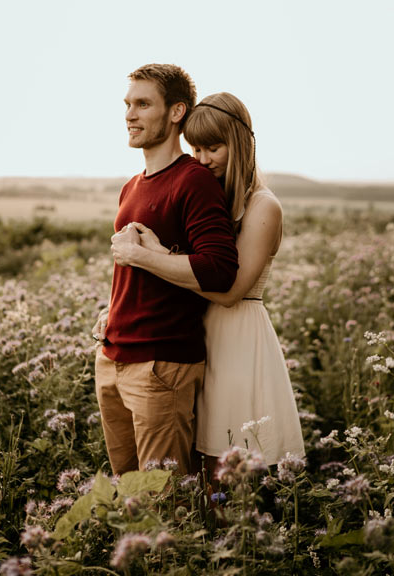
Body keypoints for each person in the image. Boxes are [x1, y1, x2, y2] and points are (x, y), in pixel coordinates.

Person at [109, 92, 305, 476]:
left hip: (238, 337)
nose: (202, 159)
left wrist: (158, 256)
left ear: (242, 144)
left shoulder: (263, 206)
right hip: (197, 334)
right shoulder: (215, 198)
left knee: (232, 461)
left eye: (213, 148)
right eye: (196, 148)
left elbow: (231, 291)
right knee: (193, 462)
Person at [92, 64, 239, 476]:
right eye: (127, 104)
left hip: (161, 366)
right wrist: (112, 312)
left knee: (163, 506)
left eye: (142, 104)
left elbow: (219, 270)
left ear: (177, 112)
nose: (129, 115)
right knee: (128, 493)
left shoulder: (194, 181)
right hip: (113, 356)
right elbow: (131, 267)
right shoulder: (132, 185)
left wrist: (142, 257)